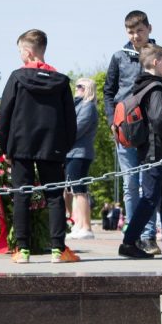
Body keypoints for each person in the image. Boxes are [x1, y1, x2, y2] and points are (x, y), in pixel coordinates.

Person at [0, 29, 80, 263]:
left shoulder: (17, 77)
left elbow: (5, 113)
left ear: (27, 51)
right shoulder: (61, 81)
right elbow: (70, 119)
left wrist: (6, 147)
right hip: (52, 146)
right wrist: (65, 147)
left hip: (20, 144)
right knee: (54, 196)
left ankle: (22, 250)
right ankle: (58, 250)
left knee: (21, 195)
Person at [103, 10, 162, 251]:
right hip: (126, 129)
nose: (135, 36)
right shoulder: (119, 56)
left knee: (151, 186)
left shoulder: (161, 56)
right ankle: (133, 231)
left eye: (139, 31)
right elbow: (108, 91)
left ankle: (148, 235)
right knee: (130, 184)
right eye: (131, 32)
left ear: (149, 29)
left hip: (151, 130)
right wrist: (113, 119)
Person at [119, 44, 162, 259]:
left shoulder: (141, 86)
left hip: (151, 150)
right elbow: (159, 118)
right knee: (151, 198)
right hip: (156, 151)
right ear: (156, 62)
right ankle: (128, 242)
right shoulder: (155, 88)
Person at [66, 78, 99, 240]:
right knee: (74, 190)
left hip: (80, 153)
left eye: (81, 86)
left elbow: (76, 129)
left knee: (80, 190)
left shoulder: (88, 107)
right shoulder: (78, 105)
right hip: (72, 152)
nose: (76, 88)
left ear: (88, 89)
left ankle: (86, 226)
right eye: (77, 85)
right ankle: (78, 224)